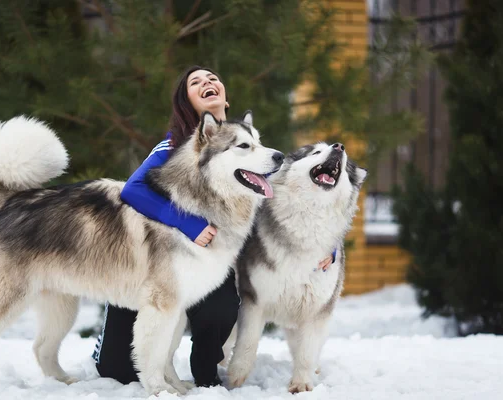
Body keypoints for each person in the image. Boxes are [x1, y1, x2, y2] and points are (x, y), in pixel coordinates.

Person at [92, 65, 335, 387]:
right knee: (116, 370)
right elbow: (132, 190)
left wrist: (325, 245)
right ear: (186, 102)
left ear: (226, 96)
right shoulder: (175, 145)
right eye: (196, 82)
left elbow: (290, 203)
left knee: (219, 311)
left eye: (212, 78)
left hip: (214, 257)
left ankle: (204, 370)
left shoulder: (251, 147)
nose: (207, 82)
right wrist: (188, 224)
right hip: (155, 259)